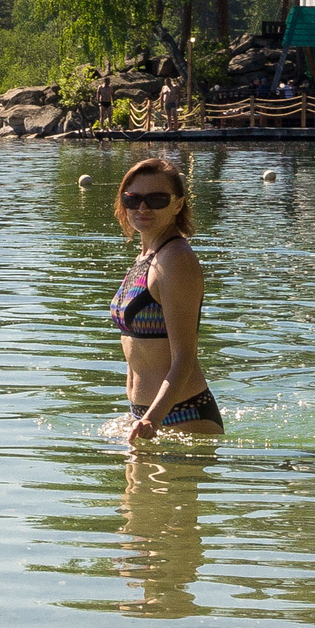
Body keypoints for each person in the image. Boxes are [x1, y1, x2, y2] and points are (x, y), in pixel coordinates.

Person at [108, 156, 221, 439]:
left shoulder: (176, 260)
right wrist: (139, 416)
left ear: (178, 204)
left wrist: (151, 421)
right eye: (132, 199)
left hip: (181, 415)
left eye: (156, 199)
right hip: (145, 417)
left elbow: (184, 357)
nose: (142, 207)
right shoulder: (146, 257)